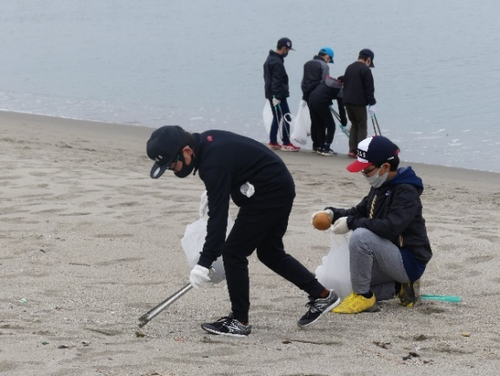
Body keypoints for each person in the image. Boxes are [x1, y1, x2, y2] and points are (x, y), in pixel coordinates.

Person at [147, 125, 340, 336]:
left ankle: (240, 321)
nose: (173, 170)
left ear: (186, 151)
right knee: (270, 252)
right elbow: (233, 171)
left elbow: (218, 221)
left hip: (270, 192)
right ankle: (322, 295)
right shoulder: (207, 146)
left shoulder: (212, 163)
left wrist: (204, 263)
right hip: (277, 185)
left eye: (172, 165)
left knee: (233, 252)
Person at [312, 135, 432, 313]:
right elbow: (359, 211)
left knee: (361, 236)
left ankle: (363, 297)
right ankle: (399, 287)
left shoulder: (406, 192)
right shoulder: (380, 185)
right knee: (340, 286)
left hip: (408, 260)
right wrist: (332, 214)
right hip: (385, 256)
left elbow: (392, 227)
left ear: (385, 167)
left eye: (366, 170)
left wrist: (351, 223)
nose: (364, 175)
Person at [263, 37, 300, 152]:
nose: (288, 52)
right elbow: (276, 80)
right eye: (288, 50)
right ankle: (286, 142)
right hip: (277, 94)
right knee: (286, 116)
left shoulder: (270, 58)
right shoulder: (277, 62)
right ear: (284, 48)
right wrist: (278, 97)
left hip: (270, 93)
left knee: (277, 116)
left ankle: (273, 141)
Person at [342, 48, 377, 158]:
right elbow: (369, 89)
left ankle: (352, 150)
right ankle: (361, 151)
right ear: (368, 59)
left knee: (354, 124)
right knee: (362, 125)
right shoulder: (365, 70)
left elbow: (344, 84)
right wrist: (372, 103)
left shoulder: (349, 67)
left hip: (347, 101)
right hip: (358, 102)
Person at [300, 47, 334, 152]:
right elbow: (325, 83)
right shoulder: (324, 66)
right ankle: (322, 145)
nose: (329, 61)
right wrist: (328, 100)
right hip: (319, 97)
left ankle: (315, 145)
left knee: (314, 121)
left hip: (309, 96)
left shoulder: (307, 64)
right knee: (322, 122)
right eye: (330, 59)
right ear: (327, 57)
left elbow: (303, 81)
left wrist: (305, 97)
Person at [307, 75, 343, 156]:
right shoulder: (339, 88)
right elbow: (341, 107)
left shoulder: (326, 81)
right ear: (343, 83)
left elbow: (323, 91)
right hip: (321, 102)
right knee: (331, 125)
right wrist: (343, 121)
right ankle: (326, 148)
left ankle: (321, 146)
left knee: (320, 124)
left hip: (311, 99)